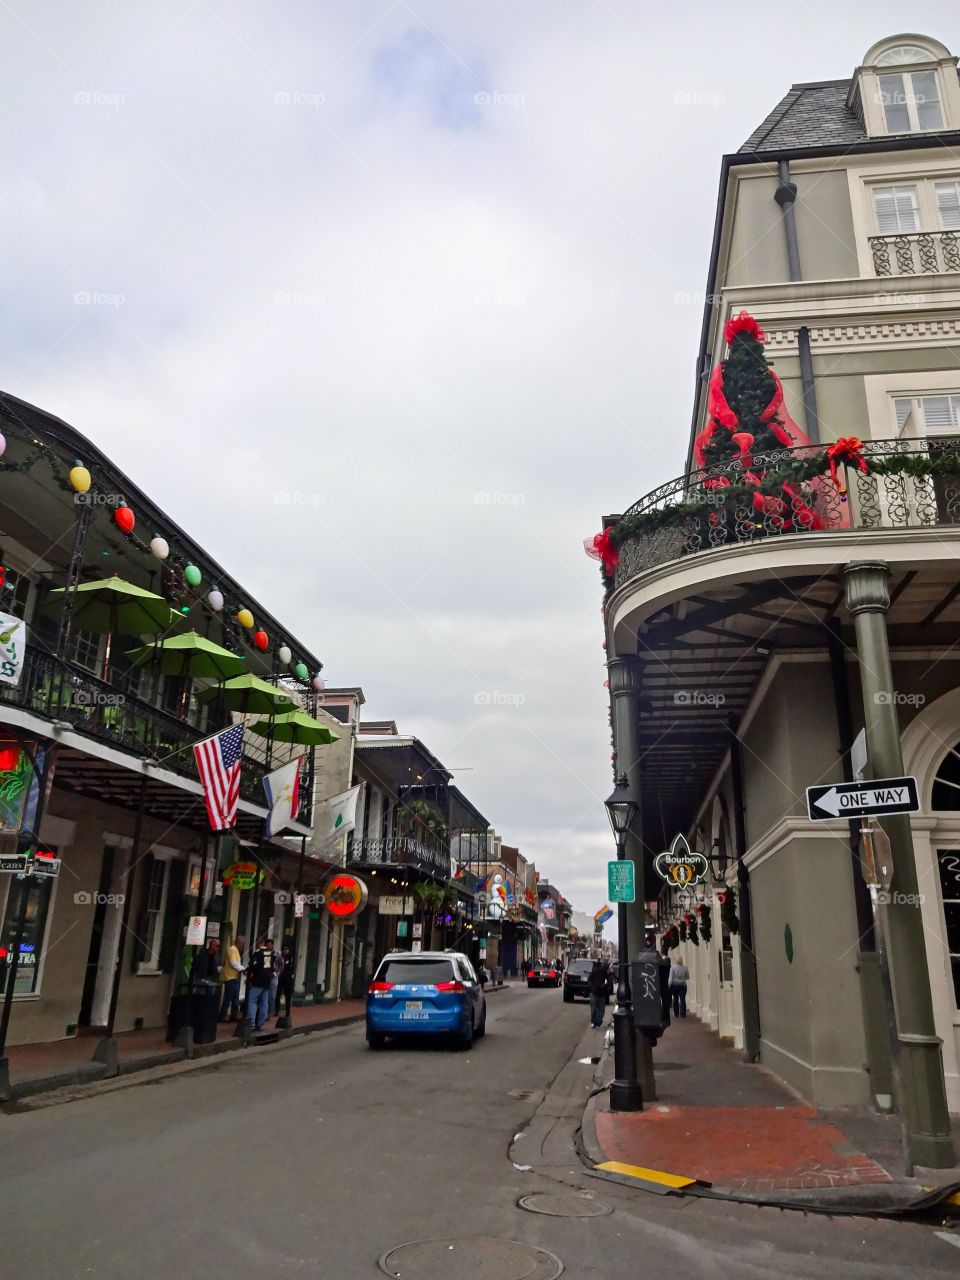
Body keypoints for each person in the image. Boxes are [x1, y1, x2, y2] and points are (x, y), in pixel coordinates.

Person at [246, 937, 274, 1032]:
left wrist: (248, 972)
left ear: (257, 944)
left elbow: (254, 966)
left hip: (258, 980)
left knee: (252, 1000)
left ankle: (251, 1023)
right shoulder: (270, 953)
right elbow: (273, 965)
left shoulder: (257, 953)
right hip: (267, 980)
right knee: (264, 1002)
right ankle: (261, 1023)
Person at [219, 933, 245, 1021]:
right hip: (230, 977)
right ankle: (222, 1015)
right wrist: (242, 969)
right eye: (242, 944)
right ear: (239, 943)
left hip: (234, 977)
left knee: (234, 997)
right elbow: (234, 963)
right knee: (229, 997)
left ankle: (233, 1015)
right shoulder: (232, 949)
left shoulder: (235, 950)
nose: (242, 946)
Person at [275, 943, 295, 1017]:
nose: (285, 951)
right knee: (278, 995)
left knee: (288, 996)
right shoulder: (279, 958)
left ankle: (287, 1012)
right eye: (284, 949)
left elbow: (290, 968)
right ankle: (277, 1010)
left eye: (286, 949)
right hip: (281, 978)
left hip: (288, 979)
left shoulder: (291, 958)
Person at [588, 959, 608, 1028]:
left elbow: (589, 980)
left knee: (596, 1009)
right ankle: (597, 1022)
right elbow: (589, 979)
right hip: (598, 993)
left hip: (597, 993)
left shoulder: (599, 972)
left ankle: (596, 1022)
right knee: (599, 1009)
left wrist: (592, 987)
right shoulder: (600, 972)